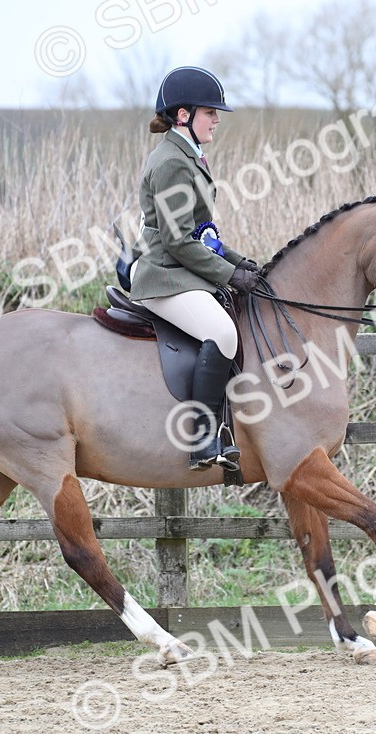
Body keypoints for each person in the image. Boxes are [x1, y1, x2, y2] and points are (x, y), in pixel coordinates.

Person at [128, 66, 259, 472]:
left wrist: (241, 263)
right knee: (221, 332)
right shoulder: (171, 162)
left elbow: (202, 234)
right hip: (164, 274)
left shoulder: (187, 155)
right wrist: (228, 275)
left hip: (181, 268)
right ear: (183, 114)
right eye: (210, 112)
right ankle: (202, 439)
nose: (217, 119)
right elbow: (178, 242)